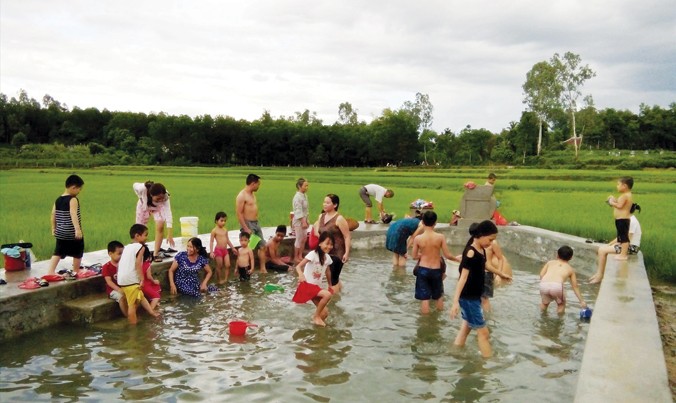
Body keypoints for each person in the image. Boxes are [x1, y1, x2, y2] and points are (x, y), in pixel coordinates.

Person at [450, 220, 499, 358]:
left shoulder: (481, 249)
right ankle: (487, 365)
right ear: (481, 235)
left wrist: (501, 274)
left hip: (474, 296)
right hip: (469, 298)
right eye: (490, 239)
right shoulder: (471, 252)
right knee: (484, 333)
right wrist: (455, 302)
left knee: (466, 328)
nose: (491, 243)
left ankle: (455, 352)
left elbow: (485, 266)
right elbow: (463, 278)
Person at [411, 211, 461, 314]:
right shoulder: (440, 237)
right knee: (438, 296)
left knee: (425, 299)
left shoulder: (418, 238)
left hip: (423, 269)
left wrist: (424, 254)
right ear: (435, 223)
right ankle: (439, 318)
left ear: (423, 222)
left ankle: (426, 323)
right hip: (436, 269)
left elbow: (414, 256)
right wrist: (457, 259)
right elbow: (447, 255)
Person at [117, 224, 160, 325]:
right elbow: (137, 264)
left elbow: (121, 264)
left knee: (140, 296)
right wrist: (142, 279)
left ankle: (151, 312)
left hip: (122, 279)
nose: (147, 237)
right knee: (132, 304)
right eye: (145, 235)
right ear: (137, 236)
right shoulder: (140, 247)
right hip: (130, 280)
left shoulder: (127, 247)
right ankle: (133, 330)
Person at [292, 231, 335, 327]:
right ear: (320, 243)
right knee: (327, 295)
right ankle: (316, 317)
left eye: (331, 244)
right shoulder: (313, 254)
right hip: (307, 286)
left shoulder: (327, 258)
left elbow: (328, 272)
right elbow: (298, 266)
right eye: (327, 243)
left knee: (325, 313)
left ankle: (315, 327)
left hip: (315, 287)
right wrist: (301, 275)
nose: (329, 246)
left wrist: (330, 285)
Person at [589, 209, 642, 284]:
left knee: (602, 251)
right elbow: (621, 237)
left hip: (631, 248)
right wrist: (609, 244)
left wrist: (612, 245)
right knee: (602, 249)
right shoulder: (628, 219)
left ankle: (600, 276)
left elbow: (627, 239)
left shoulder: (632, 221)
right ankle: (599, 274)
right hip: (627, 245)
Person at [47, 174, 85, 275]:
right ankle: (76, 270)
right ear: (73, 187)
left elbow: (53, 214)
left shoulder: (58, 199)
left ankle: (50, 271)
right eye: (79, 189)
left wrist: (53, 228)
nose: (79, 192)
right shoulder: (73, 199)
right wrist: (77, 229)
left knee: (58, 251)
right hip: (71, 231)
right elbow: (73, 214)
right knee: (78, 250)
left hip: (60, 232)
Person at [314, 194, 351, 293]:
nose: (325, 204)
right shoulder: (321, 216)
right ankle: (340, 294)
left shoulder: (339, 219)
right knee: (332, 278)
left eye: (327, 203)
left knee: (333, 279)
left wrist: (346, 253)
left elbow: (347, 236)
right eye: (324, 202)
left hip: (337, 253)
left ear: (335, 205)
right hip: (326, 252)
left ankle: (332, 303)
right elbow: (318, 233)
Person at [133, 181, 175, 262]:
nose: (161, 200)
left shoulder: (165, 197)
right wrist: (140, 196)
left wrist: (169, 234)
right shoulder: (142, 188)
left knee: (160, 226)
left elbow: (168, 213)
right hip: (143, 206)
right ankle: (139, 252)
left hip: (157, 208)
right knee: (139, 229)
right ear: (151, 195)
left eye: (162, 198)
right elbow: (134, 185)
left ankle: (155, 254)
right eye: (158, 198)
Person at [539, 246, 587, 314]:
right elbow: (575, 286)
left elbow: (541, 275)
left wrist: (547, 284)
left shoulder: (550, 263)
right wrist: (581, 301)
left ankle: (542, 319)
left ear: (557, 255)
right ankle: (559, 322)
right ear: (571, 258)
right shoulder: (570, 269)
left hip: (544, 284)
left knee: (544, 303)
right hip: (557, 286)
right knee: (561, 305)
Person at [236, 173, 266, 272]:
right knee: (247, 249)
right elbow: (239, 214)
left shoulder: (252, 194)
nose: (258, 187)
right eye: (258, 184)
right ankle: (245, 270)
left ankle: (262, 268)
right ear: (253, 183)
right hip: (248, 224)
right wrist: (246, 229)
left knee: (262, 246)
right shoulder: (242, 196)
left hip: (256, 223)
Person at [605, 176, 634, 260]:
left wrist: (611, 202)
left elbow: (619, 205)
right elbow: (619, 203)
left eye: (618, 184)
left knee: (624, 237)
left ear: (624, 186)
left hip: (623, 219)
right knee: (621, 236)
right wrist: (614, 199)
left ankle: (623, 254)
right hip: (620, 219)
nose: (617, 186)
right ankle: (622, 253)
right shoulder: (626, 195)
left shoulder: (625, 195)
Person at [482, 239, 513, 311]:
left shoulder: (493, 243)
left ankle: (487, 316)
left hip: (488, 273)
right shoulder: (477, 240)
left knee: (485, 299)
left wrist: (499, 274)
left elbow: (500, 258)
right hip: (481, 272)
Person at [209, 211, 238, 284]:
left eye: (225, 221)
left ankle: (226, 279)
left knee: (228, 265)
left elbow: (227, 240)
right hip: (218, 250)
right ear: (216, 221)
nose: (223, 222)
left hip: (225, 250)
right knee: (220, 266)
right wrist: (211, 252)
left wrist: (232, 248)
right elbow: (211, 241)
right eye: (221, 221)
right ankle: (219, 280)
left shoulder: (225, 230)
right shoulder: (214, 231)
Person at [102, 240, 128, 317]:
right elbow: (109, 282)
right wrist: (119, 289)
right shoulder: (106, 267)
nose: (122, 256)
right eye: (119, 254)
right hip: (113, 290)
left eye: (123, 253)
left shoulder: (124, 264)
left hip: (123, 286)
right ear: (110, 254)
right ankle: (127, 315)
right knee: (122, 297)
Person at [292, 178, 310, 264]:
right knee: (299, 239)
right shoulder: (297, 197)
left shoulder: (304, 196)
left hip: (304, 220)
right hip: (298, 221)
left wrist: (307, 220)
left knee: (304, 238)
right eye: (305, 186)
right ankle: (296, 257)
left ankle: (300, 255)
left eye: (307, 185)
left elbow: (306, 210)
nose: (307, 187)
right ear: (299, 186)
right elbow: (298, 211)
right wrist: (303, 221)